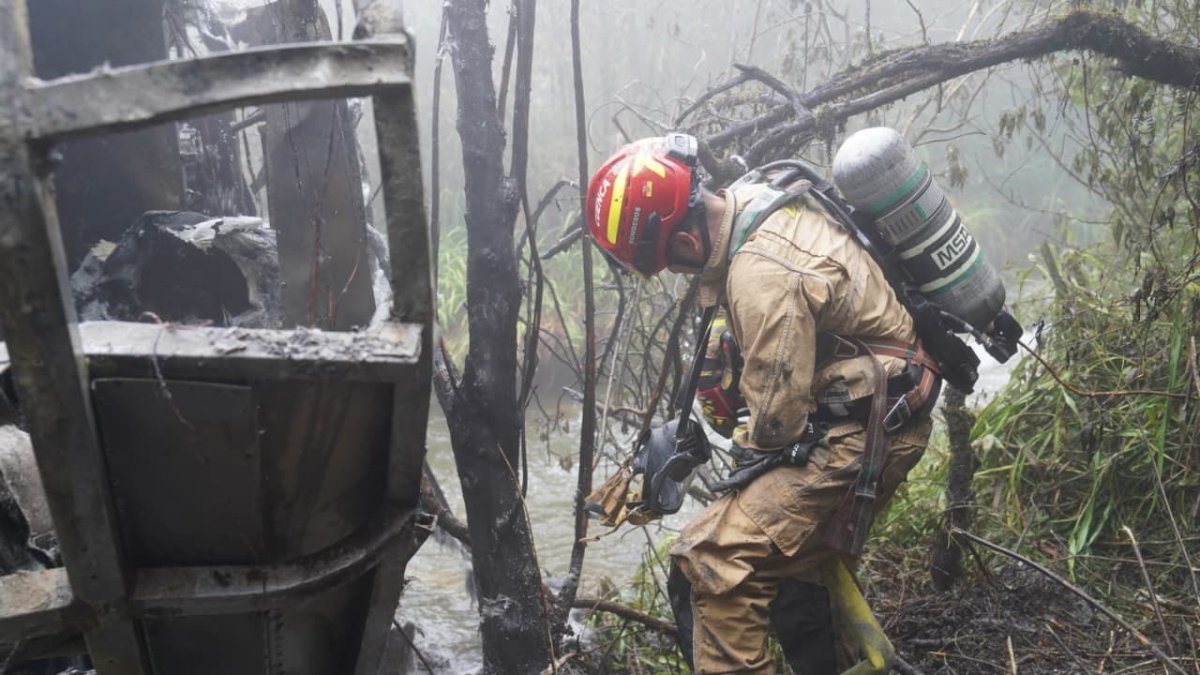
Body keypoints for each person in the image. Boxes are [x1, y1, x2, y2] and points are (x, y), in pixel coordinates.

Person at [585, 133, 941, 674]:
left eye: (670, 263)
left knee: (713, 560)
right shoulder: (754, 197)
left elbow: (776, 418)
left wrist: (746, 442)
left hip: (864, 430)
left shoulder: (761, 272)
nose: (678, 272)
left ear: (683, 242)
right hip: (878, 407)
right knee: (795, 568)